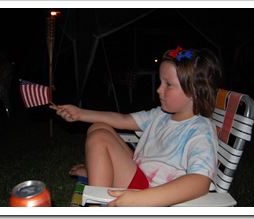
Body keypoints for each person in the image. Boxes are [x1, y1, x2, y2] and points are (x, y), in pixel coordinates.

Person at [50, 46, 223, 206]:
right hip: (139, 174)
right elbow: (124, 119)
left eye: (168, 84)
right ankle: (101, 175)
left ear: (194, 90)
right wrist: (80, 114)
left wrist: (140, 199)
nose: (158, 89)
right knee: (98, 127)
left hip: (150, 192)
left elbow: (200, 182)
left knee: (99, 137)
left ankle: (97, 205)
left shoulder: (200, 130)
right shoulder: (161, 115)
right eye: (160, 82)